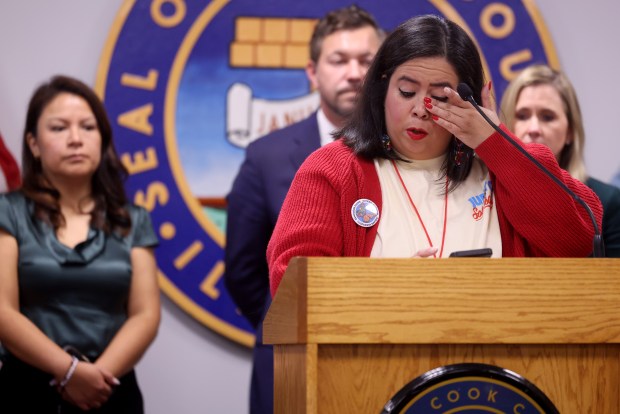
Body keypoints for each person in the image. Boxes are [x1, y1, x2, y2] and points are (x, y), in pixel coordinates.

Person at [267, 14, 604, 295]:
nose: (421, 110)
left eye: (441, 97)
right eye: (407, 91)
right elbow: (293, 285)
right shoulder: (334, 169)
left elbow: (579, 237)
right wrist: (388, 290)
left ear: (479, 98)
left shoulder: (502, 168)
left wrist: (497, 143)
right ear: (381, 90)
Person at [224, 5, 383, 413]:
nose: (353, 72)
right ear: (312, 72)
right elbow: (244, 272)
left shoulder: (407, 150)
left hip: (386, 352)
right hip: (290, 357)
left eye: (366, 60)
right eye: (339, 60)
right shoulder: (266, 156)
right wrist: (290, 320)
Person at [0, 75, 160, 413]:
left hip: (111, 390)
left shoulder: (133, 218)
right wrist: (68, 372)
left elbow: (146, 315)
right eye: (59, 128)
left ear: (102, 140)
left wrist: (94, 379)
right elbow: (2, 311)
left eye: (88, 127)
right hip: (27, 390)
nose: (76, 139)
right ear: (33, 143)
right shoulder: (8, 212)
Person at [500, 64, 620, 257]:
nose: (533, 128)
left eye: (547, 117)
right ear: (507, 125)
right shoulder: (486, 199)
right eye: (522, 116)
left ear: (570, 131)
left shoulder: (608, 203)